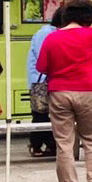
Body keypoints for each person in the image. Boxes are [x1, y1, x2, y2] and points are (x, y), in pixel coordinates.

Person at [36, 0, 92, 182]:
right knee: (91, 137)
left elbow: (42, 67)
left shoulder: (51, 38)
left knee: (63, 141)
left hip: (60, 92)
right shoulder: (89, 35)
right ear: (88, 17)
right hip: (88, 90)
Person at [26, 8, 64, 157]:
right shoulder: (47, 33)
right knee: (40, 114)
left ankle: (50, 145)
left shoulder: (50, 32)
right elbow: (45, 57)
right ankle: (36, 144)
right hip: (41, 79)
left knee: (51, 114)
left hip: (46, 78)